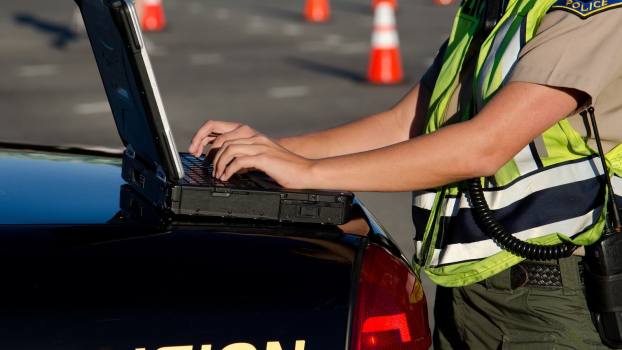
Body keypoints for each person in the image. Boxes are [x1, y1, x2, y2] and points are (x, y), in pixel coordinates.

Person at [188, 0, 622, 348]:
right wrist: (269, 151)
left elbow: (485, 146)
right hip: (473, 288)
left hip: (552, 297)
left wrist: (307, 172)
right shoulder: (496, 7)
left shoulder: (593, 9)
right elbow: (405, 121)